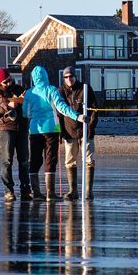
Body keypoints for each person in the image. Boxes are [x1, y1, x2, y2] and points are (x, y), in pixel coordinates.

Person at [22, 66, 89, 202]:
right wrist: (77, 116)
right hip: (51, 129)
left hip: (34, 129)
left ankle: (36, 193)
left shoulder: (29, 93)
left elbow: (26, 113)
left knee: (34, 160)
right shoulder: (51, 90)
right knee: (50, 159)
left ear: (34, 78)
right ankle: (50, 193)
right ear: (46, 76)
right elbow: (61, 107)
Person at [0, 68, 31, 202]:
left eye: (9, 80)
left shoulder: (20, 89)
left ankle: (26, 190)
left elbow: (28, 107)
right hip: (5, 129)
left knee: (24, 161)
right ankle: (8, 190)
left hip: (22, 128)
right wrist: (7, 106)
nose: (8, 83)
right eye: (5, 82)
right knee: (7, 160)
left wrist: (24, 100)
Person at [58, 66, 98, 201]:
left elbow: (94, 110)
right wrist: (62, 132)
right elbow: (59, 114)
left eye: (71, 76)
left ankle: (88, 191)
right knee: (70, 160)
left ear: (75, 76)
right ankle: (73, 190)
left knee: (88, 159)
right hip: (69, 132)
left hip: (85, 131)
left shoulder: (85, 89)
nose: (69, 79)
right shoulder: (61, 91)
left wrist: (91, 128)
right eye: (66, 77)